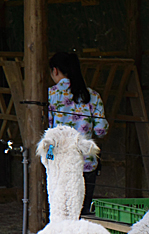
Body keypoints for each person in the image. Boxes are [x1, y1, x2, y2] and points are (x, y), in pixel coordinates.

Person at [48, 52, 109, 216]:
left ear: (55, 71)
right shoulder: (93, 97)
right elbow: (100, 130)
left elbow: (47, 130)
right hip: (86, 163)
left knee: (60, 212)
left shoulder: (49, 96)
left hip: (59, 164)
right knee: (82, 213)